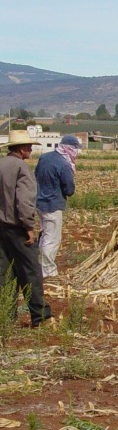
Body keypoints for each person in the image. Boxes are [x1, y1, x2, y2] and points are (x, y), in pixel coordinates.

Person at [0, 130, 51, 327]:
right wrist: (29, 226)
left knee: (5, 273)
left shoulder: (2, 164)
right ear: (22, 149)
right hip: (17, 227)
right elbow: (24, 201)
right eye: (29, 146)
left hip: (1, 228)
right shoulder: (21, 168)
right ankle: (40, 317)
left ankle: (6, 316)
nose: (31, 149)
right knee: (31, 272)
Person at [35, 134, 81, 280]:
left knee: (43, 235)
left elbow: (36, 175)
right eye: (76, 149)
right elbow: (69, 189)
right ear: (70, 148)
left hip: (40, 202)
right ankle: (47, 270)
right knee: (52, 238)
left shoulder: (44, 157)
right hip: (53, 204)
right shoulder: (64, 164)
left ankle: (38, 264)